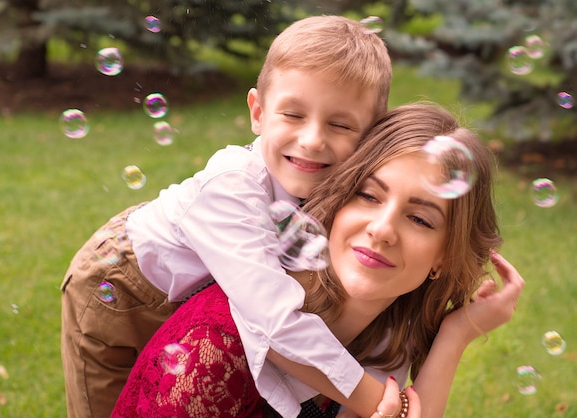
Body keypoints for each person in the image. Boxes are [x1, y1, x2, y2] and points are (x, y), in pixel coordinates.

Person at [61, 15, 393, 418]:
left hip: (198, 292)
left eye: (340, 124)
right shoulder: (232, 184)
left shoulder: (351, 197)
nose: (313, 140)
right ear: (257, 112)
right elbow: (273, 319)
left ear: (372, 135)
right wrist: (371, 398)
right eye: (293, 115)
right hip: (118, 288)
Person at [111, 103, 525, 418]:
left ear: (444, 259)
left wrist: (457, 334)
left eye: (419, 218)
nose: (382, 229)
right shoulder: (215, 350)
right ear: (336, 203)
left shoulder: (382, 335)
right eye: (368, 195)